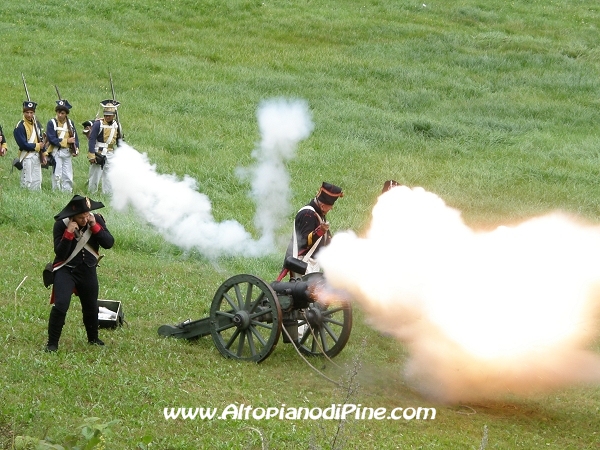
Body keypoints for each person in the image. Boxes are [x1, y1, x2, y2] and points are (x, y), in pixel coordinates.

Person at [45, 195, 115, 352]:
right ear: (72, 216)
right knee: (61, 305)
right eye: (81, 217)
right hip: (66, 269)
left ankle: (93, 338)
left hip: (88, 269)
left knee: (91, 306)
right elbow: (61, 253)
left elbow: (109, 243)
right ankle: (52, 343)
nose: (85, 219)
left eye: (86, 215)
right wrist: (68, 234)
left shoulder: (95, 219)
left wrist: (95, 226)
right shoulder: (61, 225)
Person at [278, 182, 344, 280]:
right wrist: (320, 231)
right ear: (322, 206)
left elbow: (326, 239)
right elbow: (305, 240)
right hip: (303, 261)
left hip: (311, 262)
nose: (331, 208)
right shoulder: (308, 214)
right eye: (330, 206)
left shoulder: (318, 215)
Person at [87, 100, 122, 194]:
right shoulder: (98, 124)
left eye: (109, 115)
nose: (107, 116)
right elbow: (92, 139)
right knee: (95, 175)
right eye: (106, 114)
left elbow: (119, 140)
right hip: (99, 151)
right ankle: (91, 192)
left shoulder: (116, 125)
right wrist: (91, 154)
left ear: (114, 115)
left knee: (109, 175)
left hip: (110, 152)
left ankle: (107, 193)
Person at [46, 100, 79, 192]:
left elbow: (75, 138)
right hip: (57, 151)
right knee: (57, 173)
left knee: (68, 173)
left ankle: (67, 191)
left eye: (62, 113)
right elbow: (52, 139)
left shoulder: (70, 123)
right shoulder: (52, 123)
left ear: (66, 114)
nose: (60, 115)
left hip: (67, 152)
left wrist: (76, 149)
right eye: (58, 112)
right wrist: (66, 141)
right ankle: (56, 190)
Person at [13, 101, 47, 190]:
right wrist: (37, 146)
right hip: (27, 156)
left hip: (36, 155)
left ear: (34, 113)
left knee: (37, 180)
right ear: (23, 112)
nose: (29, 115)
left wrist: (43, 153)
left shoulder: (37, 124)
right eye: (27, 112)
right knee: (27, 180)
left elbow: (41, 140)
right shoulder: (20, 126)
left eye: (31, 112)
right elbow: (23, 144)